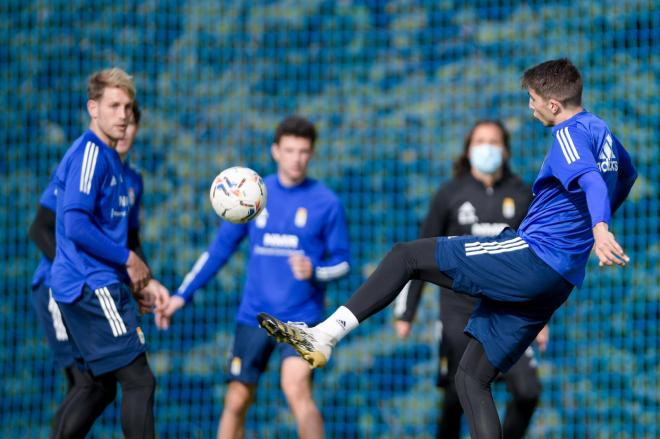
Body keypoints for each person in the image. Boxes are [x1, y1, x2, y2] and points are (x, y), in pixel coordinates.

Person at [257, 59, 637, 438]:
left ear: (554, 105)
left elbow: (591, 182)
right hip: (559, 280)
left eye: (533, 99)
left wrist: (598, 227)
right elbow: (626, 174)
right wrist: (588, 232)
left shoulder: (568, 133)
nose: (530, 107)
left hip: (533, 257)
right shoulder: (601, 131)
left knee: (405, 255)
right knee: (472, 378)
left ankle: (324, 335)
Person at [159, 115, 351, 439]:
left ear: (312, 154)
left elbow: (344, 263)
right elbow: (218, 251)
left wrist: (314, 270)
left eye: (304, 151)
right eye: (289, 150)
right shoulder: (252, 195)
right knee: (236, 399)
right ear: (276, 151)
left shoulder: (326, 202)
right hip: (254, 316)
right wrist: (182, 295)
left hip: (302, 320)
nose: (297, 158)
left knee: (296, 388)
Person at [392, 120, 545, 438]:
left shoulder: (521, 194)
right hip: (459, 311)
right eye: (480, 141)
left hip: (508, 311)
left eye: (493, 141)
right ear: (468, 148)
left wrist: (542, 318)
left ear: (505, 149)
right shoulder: (450, 194)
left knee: (528, 391)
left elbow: (537, 261)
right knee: (458, 394)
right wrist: (407, 312)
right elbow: (419, 254)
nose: (487, 147)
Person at [29, 100, 165, 435]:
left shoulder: (131, 179)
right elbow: (40, 228)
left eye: (131, 121)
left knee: (97, 385)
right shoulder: (85, 164)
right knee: (93, 382)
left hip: (102, 285)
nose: (124, 126)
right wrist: (79, 273)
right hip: (67, 287)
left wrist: (144, 281)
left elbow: (130, 239)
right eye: (119, 115)